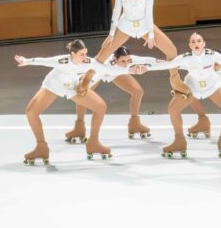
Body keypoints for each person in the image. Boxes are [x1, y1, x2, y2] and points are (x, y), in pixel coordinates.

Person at [14, 40, 146, 164]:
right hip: (54, 85)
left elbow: (109, 70)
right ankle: (41, 147)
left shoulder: (89, 61)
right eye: (82, 54)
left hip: (73, 87)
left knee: (101, 107)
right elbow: (42, 61)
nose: (85, 56)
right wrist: (25, 61)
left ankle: (93, 142)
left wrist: (131, 70)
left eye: (86, 53)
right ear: (73, 54)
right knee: (31, 112)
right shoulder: (62, 60)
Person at [98, 0, 194, 103]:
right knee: (102, 56)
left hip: (144, 25)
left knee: (172, 51)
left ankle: (175, 81)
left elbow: (149, 13)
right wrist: (112, 33)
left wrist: (150, 35)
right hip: (125, 25)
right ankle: (87, 82)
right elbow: (116, 10)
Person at [152, 32, 221, 159]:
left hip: (212, 85)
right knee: (173, 109)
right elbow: (167, 65)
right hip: (192, 87)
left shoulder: (212, 55)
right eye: (193, 42)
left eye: (199, 41)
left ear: (204, 44)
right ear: (190, 45)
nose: (196, 43)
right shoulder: (185, 58)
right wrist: (146, 68)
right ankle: (179, 141)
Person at [70, 46, 157, 143]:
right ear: (115, 59)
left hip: (116, 71)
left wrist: (167, 63)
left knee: (138, 91)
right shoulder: (106, 63)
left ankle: (134, 123)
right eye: (123, 61)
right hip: (99, 71)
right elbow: (109, 71)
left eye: (127, 60)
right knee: (83, 93)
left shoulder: (129, 59)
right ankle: (79, 126)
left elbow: (146, 60)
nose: (126, 63)